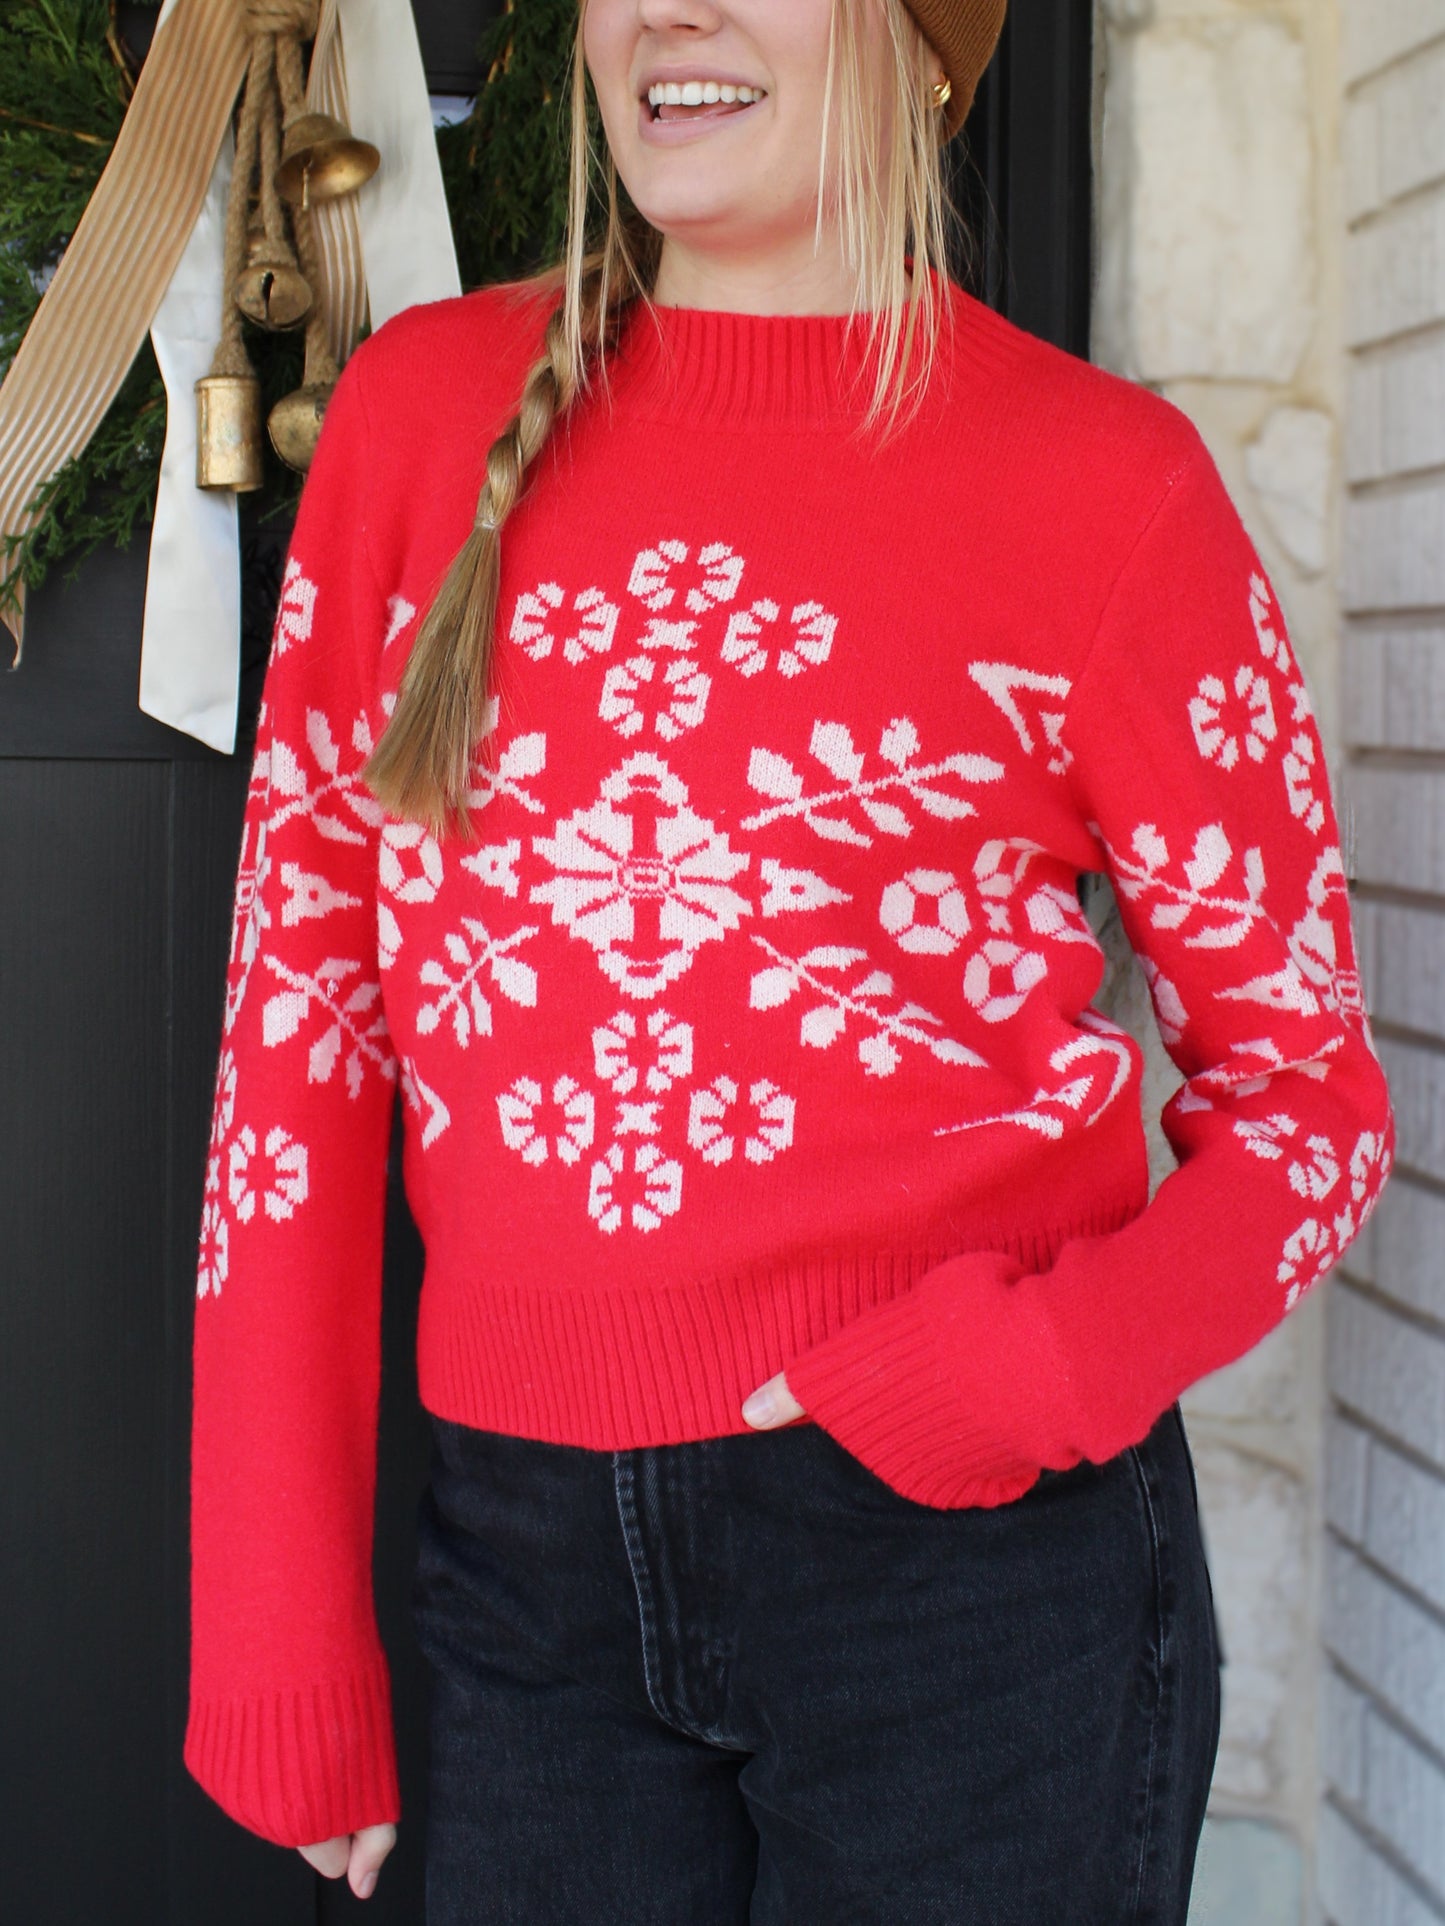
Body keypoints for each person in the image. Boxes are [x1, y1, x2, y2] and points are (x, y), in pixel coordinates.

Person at [184, 0, 1395, 1919]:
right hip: (525, 1581)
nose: (668, 11)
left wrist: (1035, 1368)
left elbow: (1308, 1110)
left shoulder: (1109, 487)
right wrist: (272, 1616)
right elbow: (298, 1046)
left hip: (968, 1584)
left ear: (920, 43)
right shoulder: (420, 420)